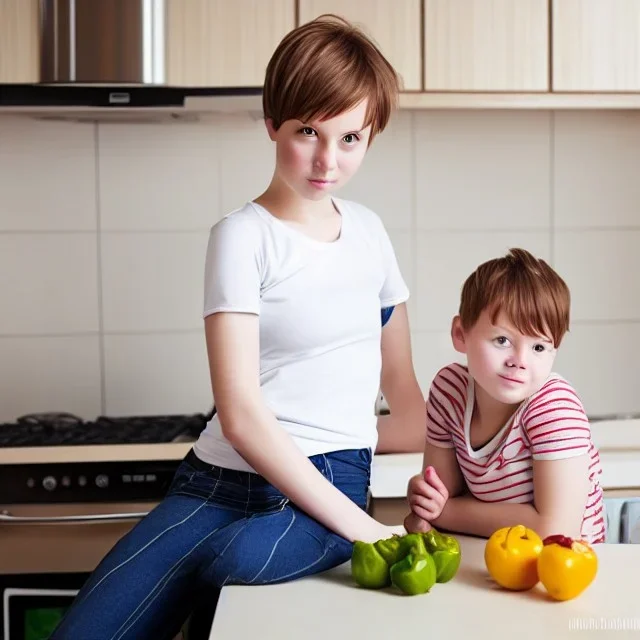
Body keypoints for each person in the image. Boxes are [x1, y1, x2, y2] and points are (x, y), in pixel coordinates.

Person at [51, 14, 425, 640]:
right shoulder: (240, 237)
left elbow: (408, 406)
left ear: (372, 135)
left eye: (351, 138)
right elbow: (243, 414)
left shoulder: (370, 234)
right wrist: (361, 527)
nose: (328, 160)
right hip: (214, 481)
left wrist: (412, 467)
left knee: (230, 565)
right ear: (273, 121)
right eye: (309, 131)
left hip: (330, 478)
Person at [404, 248, 605, 544]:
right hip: (494, 555)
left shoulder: (553, 407)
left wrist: (445, 512)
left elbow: (555, 529)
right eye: (502, 340)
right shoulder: (449, 391)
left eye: (539, 347)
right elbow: (439, 500)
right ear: (461, 334)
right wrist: (425, 500)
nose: (520, 361)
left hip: (562, 571)